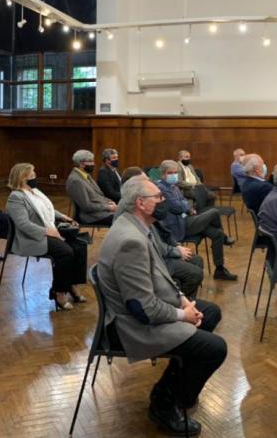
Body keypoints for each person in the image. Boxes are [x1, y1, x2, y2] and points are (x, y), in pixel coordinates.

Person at [97, 177, 226, 436]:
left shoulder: (140, 227)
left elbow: (160, 276)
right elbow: (142, 310)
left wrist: (184, 301)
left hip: (149, 309)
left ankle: (173, 385)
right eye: (158, 197)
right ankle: (164, 405)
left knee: (210, 312)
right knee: (215, 349)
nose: (163, 200)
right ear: (141, 203)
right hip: (130, 327)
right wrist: (183, 315)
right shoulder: (130, 241)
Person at [6, 163, 88, 309]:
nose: (35, 177)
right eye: (32, 175)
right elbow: (23, 224)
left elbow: (47, 208)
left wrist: (63, 217)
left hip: (48, 230)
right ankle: (59, 291)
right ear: (22, 178)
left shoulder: (34, 191)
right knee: (65, 252)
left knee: (79, 245)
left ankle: (72, 285)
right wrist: (47, 231)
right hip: (32, 238)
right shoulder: (16, 197)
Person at [116, 174, 205, 299]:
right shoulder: (134, 215)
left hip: (163, 251)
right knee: (195, 274)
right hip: (157, 259)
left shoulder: (146, 211)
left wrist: (175, 245)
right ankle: (179, 302)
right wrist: (175, 251)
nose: (162, 200)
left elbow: (162, 233)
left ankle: (188, 302)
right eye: (158, 197)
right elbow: (153, 244)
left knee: (196, 260)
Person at [156, 160, 238, 281]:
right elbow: (177, 207)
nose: (173, 175)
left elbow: (183, 201)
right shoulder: (161, 188)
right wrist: (186, 208)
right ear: (163, 174)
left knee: (217, 234)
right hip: (178, 226)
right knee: (214, 212)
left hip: (185, 219)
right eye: (170, 173)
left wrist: (187, 208)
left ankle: (219, 269)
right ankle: (226, 238)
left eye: (175, 172)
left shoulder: (173, 186)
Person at [66, 149, 116, 226]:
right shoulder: (75, 180)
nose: (93, 164)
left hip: (99, 211)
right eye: (90, 162)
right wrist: (108, 207)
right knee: (122, 219)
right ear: (81, 164)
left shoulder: (86, 175)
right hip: (91, 216)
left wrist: (109, 202)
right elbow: (87, 206)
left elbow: (98, 195)